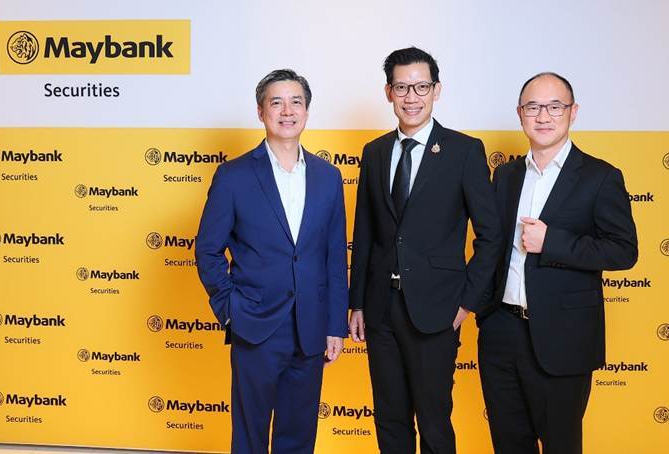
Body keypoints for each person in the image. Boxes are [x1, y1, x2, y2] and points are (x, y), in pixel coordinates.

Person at [348, 47, 502, 454]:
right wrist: (357, 303)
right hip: (380, 308)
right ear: (388, 92)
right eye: (402, 87)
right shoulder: (375, 152)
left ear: (436, 90)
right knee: (390, 420)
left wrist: (466, 304)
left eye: (421, 87)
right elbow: (365, 233)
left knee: (434, 423)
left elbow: (491, 236)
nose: (411, 97)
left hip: (437, 309)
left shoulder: (464, 151)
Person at [477, 72, 638, 454]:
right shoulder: (506, 175)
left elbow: (623, 250)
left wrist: (552, 243)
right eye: (533, 107)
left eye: (554, 107)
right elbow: (491, 246)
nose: (543, 116)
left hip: (564, 338)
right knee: (508, 445)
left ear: (573, 112)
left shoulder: (600, 177)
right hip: (501, 332)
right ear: (520, 114)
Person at [195, 69, 349, 454]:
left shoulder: (329, 177)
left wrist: (334, 324)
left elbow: (334, 257)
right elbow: (208, 250)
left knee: (299, 436)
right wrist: (231, 309)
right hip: (255, 325)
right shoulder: (233, 176)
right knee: (250, 436)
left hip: (310, 328)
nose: (287, 111)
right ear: (261, 112)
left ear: (307, 111)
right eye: (276, 102)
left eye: (296, 102)